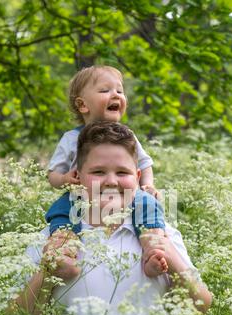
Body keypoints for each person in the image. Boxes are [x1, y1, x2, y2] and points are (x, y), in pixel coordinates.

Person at [4, 121, 212, 315]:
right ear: (77, 178)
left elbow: (200, 305)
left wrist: (170, 256)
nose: (111, 181)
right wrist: (48, 273)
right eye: (98, 172)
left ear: (138, 178)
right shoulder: (53, 238)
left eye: (123, 173)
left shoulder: (159, 235)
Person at [46, 65, 168, 279]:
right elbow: (53, 175)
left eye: (120, 91)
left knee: (149, 205)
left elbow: (144, 163)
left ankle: (152, 251)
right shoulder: (70, 138)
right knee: (60, 212)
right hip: (81, 195)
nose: (115, 95)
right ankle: (64, 255)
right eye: (105, 91)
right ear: (82, 105)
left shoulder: (126, 136)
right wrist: (64, 179)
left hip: (125, 194)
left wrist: (148, 185)